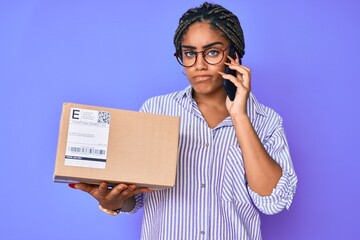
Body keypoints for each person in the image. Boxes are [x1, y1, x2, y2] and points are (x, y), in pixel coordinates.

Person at [69, 2, 297, 239]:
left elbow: (274, 202)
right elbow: (135, 197)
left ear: (233, 55)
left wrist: (239, 115)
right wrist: (113, 201)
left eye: (212, 52)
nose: (199, 65)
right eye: (189, 53)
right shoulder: (156, 110)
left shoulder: (266, 121)